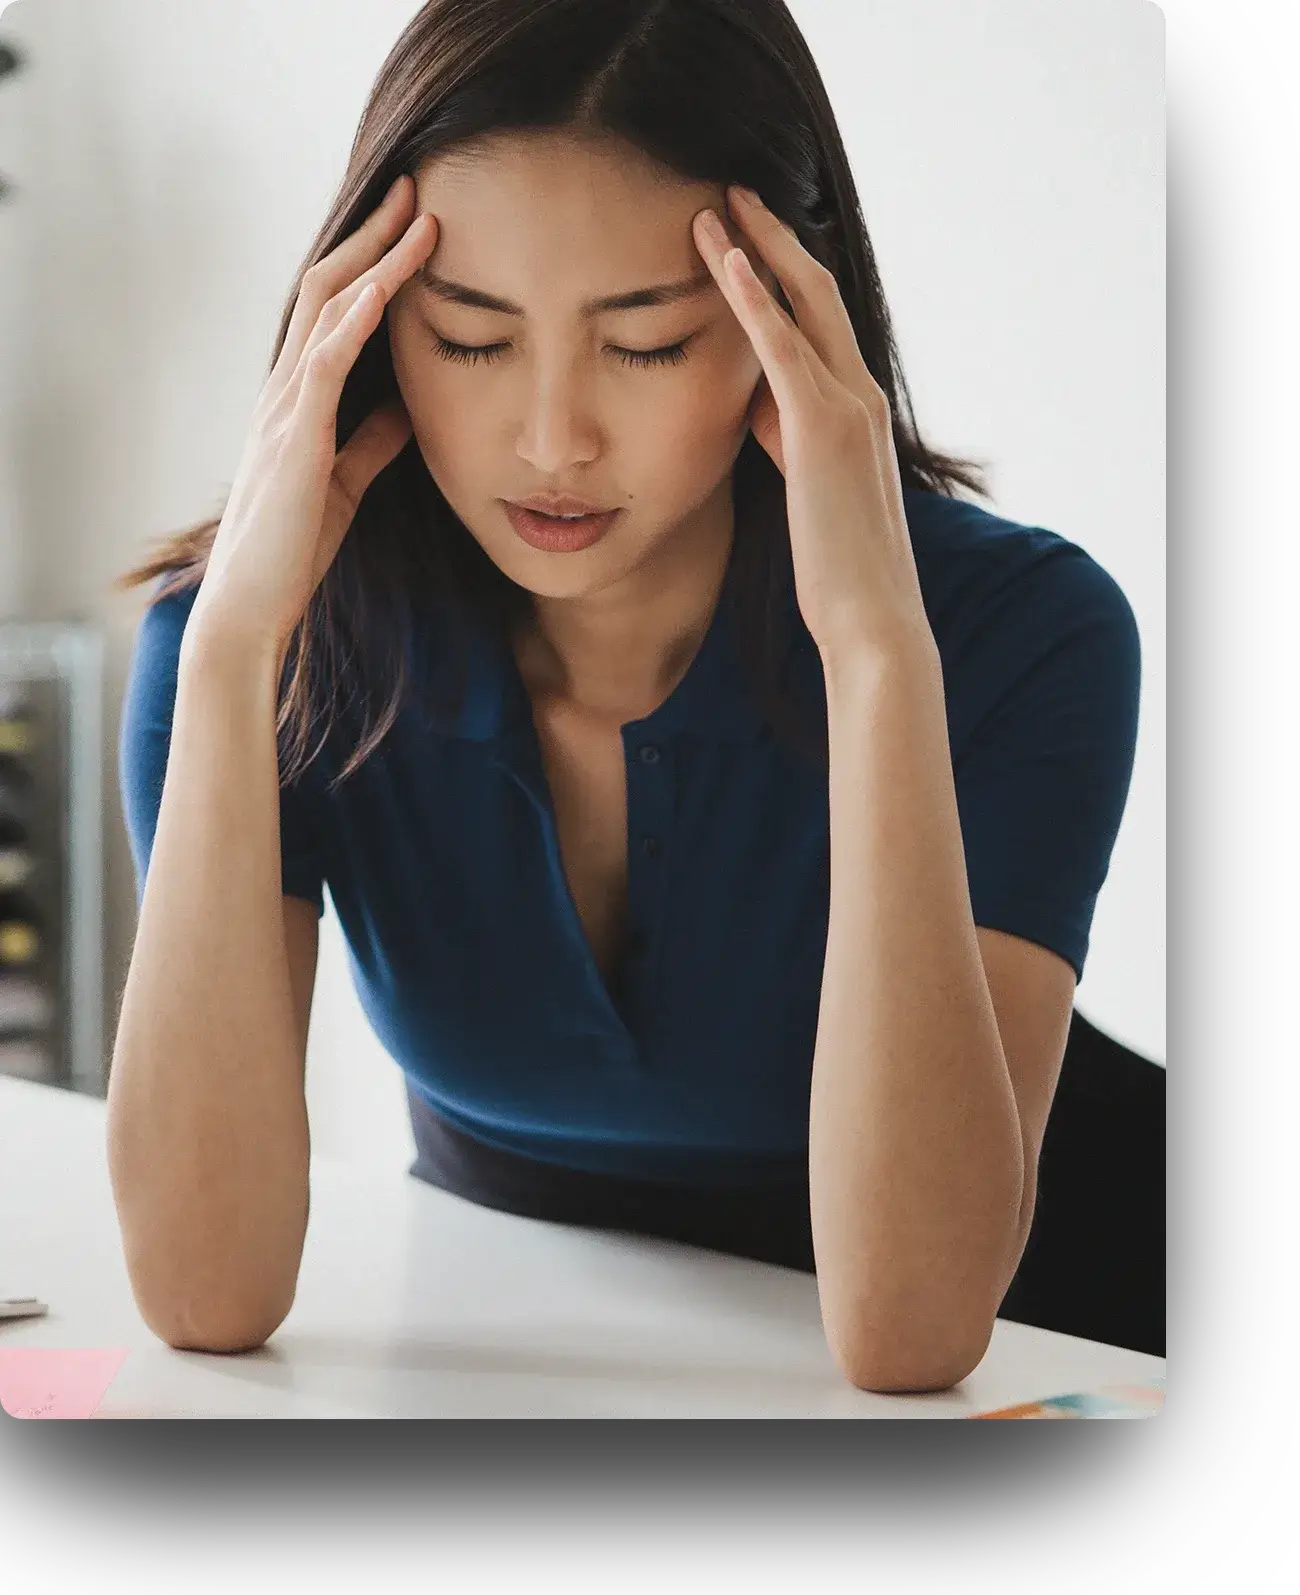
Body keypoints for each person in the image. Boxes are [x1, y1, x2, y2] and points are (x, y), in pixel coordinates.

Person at [110, 0, 1158, 1390]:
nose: (554, 441)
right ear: (359, 331)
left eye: (649, 342)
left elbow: (915, 1335)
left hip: (1068, 1340)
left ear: (793, 317)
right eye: (470, 338)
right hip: (542, 1356)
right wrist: (234, 655)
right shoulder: (261, 647)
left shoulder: (1022, 632)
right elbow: (203, 1294)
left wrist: (875, 655)